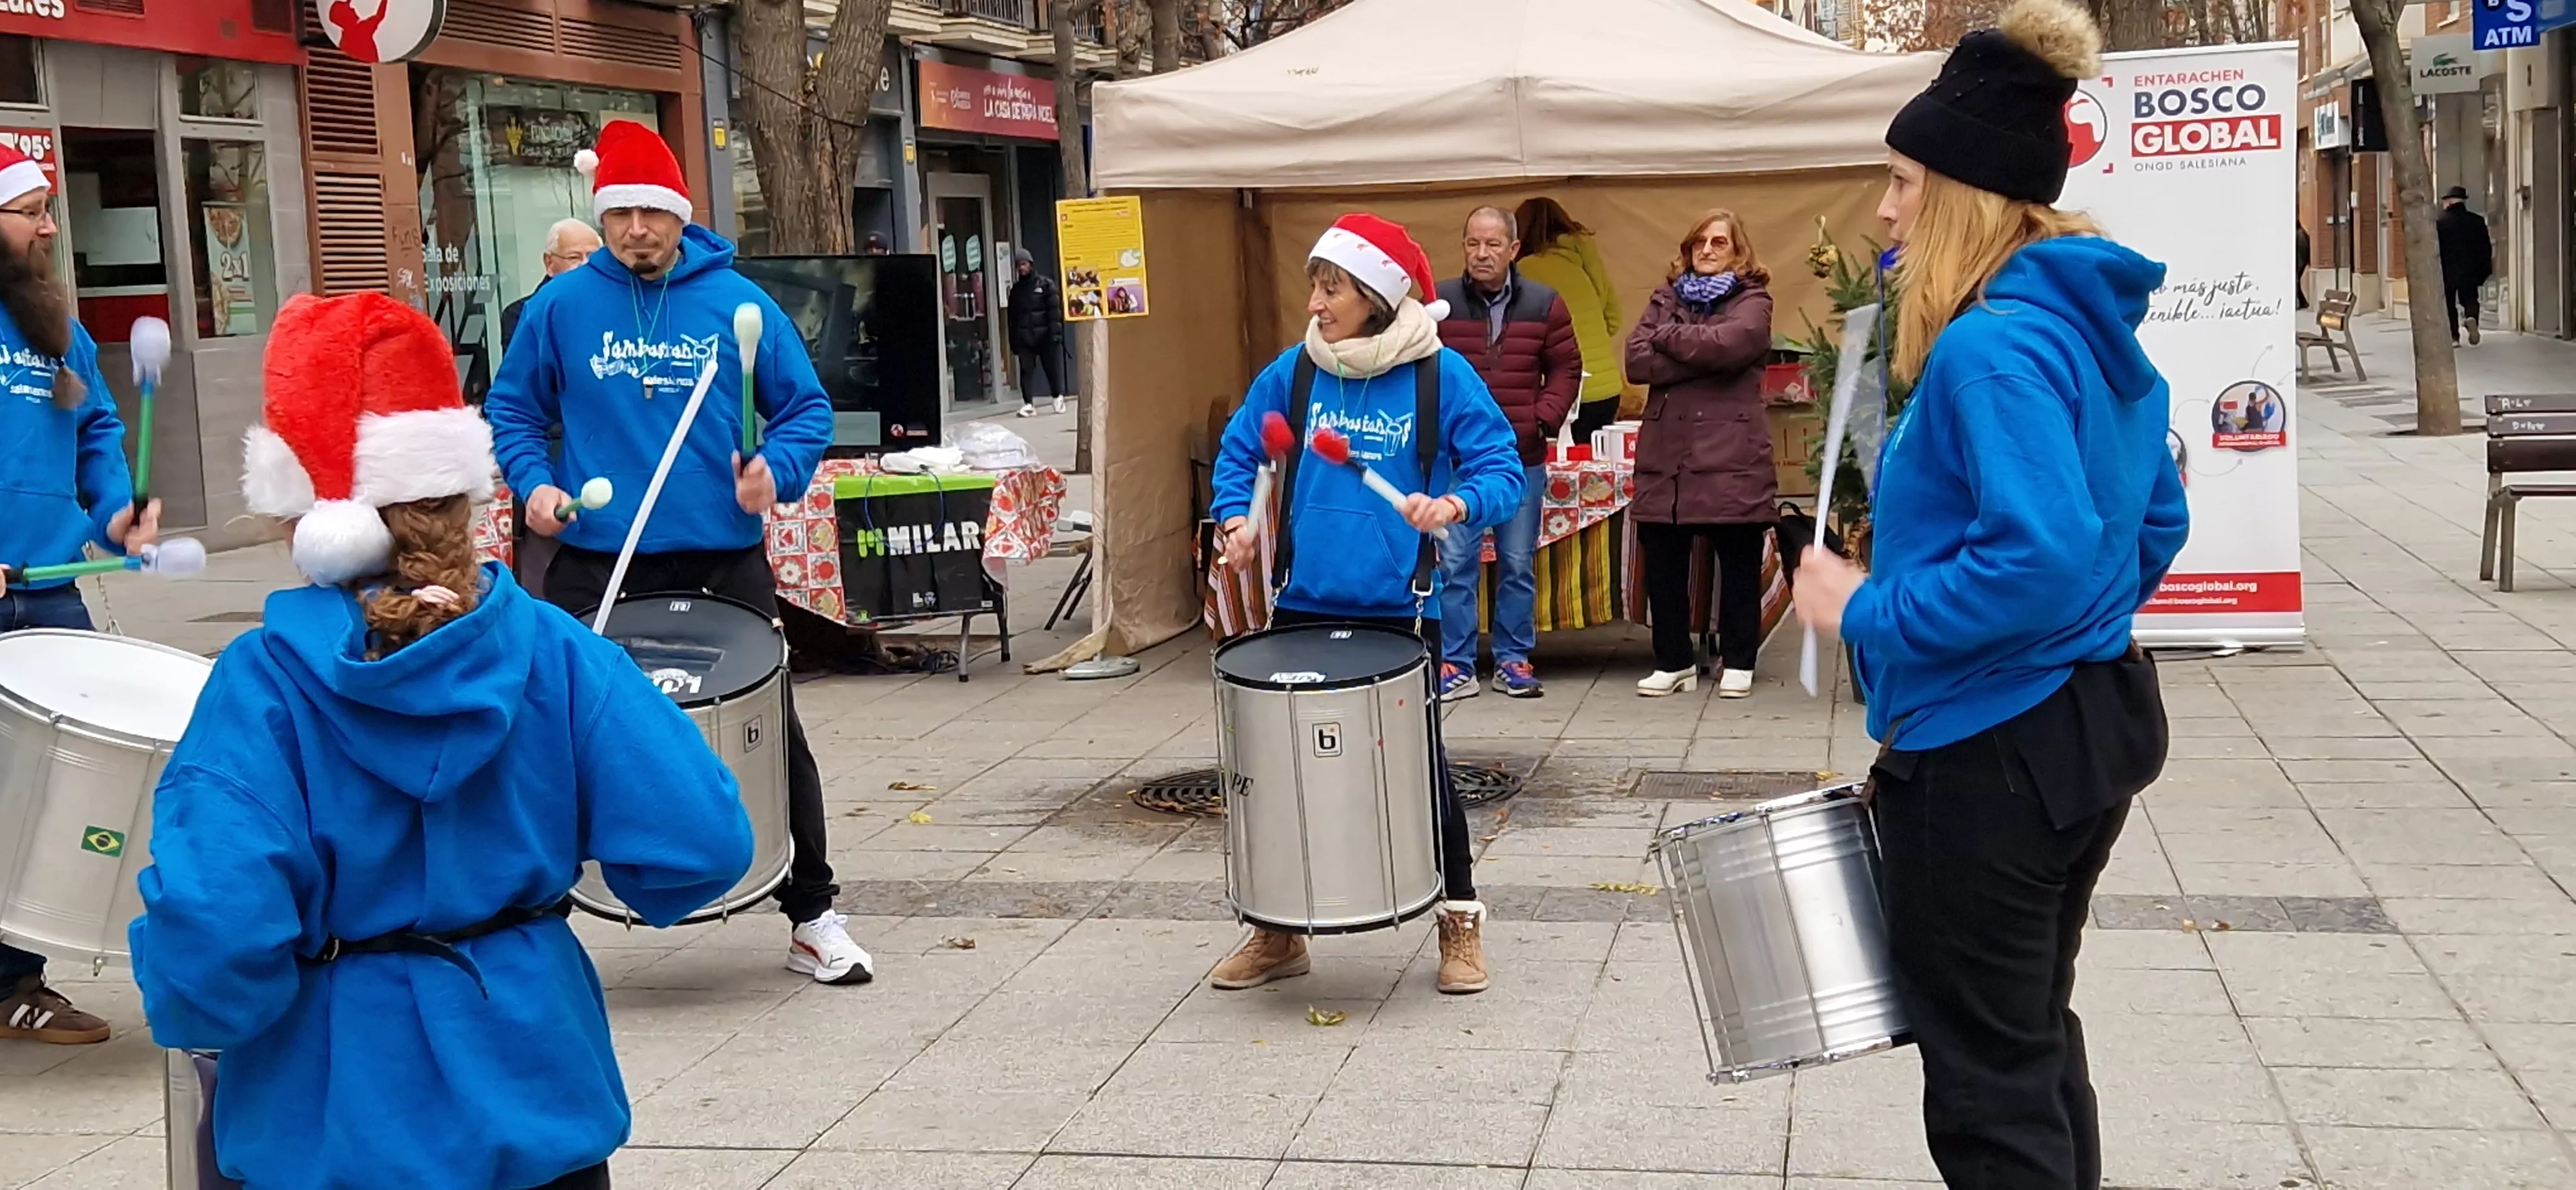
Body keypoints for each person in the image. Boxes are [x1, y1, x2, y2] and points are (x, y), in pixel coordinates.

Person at [130, 291, 754, 1190]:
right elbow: (701, 845)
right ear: (459, 492)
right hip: (537, 1092)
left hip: (334, 1122)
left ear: (298, 513)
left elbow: (216, 931)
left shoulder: (261, 682)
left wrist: (205, 1008)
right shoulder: (555, 650)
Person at [1792, 1, 2187, 1185]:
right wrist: (2071, 625)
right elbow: (2151, 520)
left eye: (1905, 181)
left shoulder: (1992, 347)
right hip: (2084, 725)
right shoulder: (2082, 328)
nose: (1886, 207)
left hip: (1989, 752)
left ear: (1965, 190)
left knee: (1984, 1075)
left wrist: (1864, 607)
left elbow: (2046, 553)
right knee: (2026, 1037)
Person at [485, 120, 876, 986]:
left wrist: (776, 469)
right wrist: (535, 485)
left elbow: (806, 408)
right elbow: (511, 411)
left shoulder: (735, 301)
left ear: (678, 216)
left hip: (720, 556)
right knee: (555, 734)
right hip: (598, 558)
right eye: (618, 214)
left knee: (772, 734)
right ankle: (537, 920)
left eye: (649, 216)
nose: (634, 232)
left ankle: (810, 911)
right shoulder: (560, 306)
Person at [1208, 212, 1524, 996]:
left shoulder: (1438, 375)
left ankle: (1458, 918)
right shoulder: (1296, 372)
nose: (1315, 303)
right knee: (1281, 773)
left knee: (1420, 767)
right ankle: (1279, 932)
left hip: (1400, 610)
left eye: (1331, 288)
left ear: (1375, 295)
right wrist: (1236, 520)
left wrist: (1453, 508)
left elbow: (1501, 469)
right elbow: (1242, 451)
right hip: (1303, 602)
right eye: (1314, 287)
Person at [0, 140, 158, 1048]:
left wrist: (116, 513)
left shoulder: (56, 322)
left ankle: (17, 982)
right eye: (30, 212)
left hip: (50, 588)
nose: (51, 227)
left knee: (37, 798)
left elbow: (96, 426)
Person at [1625, 210, 1777, 700]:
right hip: (1667, 454)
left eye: (1719, 242)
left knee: (1737, 558)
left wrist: (1669, 340)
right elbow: (1635, 360)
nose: (1708, 250)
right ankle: (1673, 661)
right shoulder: (1665, 297)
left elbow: (1733, 344)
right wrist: (1704, 355)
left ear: (1738, 251)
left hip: (1731, 452)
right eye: (1699, 243)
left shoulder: (1754, 300)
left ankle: (1739, 659)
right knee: (1663, 560)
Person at [1432, 205, 1579, 700]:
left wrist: (1544, 418)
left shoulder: (1545, 303)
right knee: (1455, 564)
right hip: (1456, 460)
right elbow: (1414, 364)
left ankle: (1514, 658)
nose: (1482, 253)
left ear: (1514, 249)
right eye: (1473, 243)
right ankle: (1455, 663)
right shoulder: (1438, 304)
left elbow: (1566, 368)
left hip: (1521, 458)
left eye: (1493, 244)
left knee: (1517, 561)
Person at [1513, 197, 1625, 442]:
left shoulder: (1523, 271)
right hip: (1606, 388)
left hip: (1559, 394)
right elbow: (1613, 320)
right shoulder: (1582, 262)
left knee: (1556, 472)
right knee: (1596, 476)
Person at [501, 218, 603, 353]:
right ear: (549, 263)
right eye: (574, 258)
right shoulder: (523, 314)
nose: (584, 265)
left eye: (592, 257)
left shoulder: (617, 305)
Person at [1009, 245, 1065, 417]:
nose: (1021, 268)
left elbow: (1054, 312)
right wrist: (1014, 342)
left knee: (1052, 369)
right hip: (1025, 338)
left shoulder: (1046, 285)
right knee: (1026, 371)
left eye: (1024, 264)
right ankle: (1028, 404)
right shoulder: (1016, 290)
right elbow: (1012, 318)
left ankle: (1057, 398)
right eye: (1019, 265)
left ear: (1031, 264)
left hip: (1046, 336)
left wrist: (1055, 334)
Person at [2438, 185, 2492, 346]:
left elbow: (2437, 249)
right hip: (2471, 270)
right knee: (2470, 298)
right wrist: (2484, 268)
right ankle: (2471, 318)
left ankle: (2454, 336)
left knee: (2449, 303)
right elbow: (2485, 247)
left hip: (2448, 270)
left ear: (2449, 202)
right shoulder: (2477, 221)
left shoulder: (2441, 223)